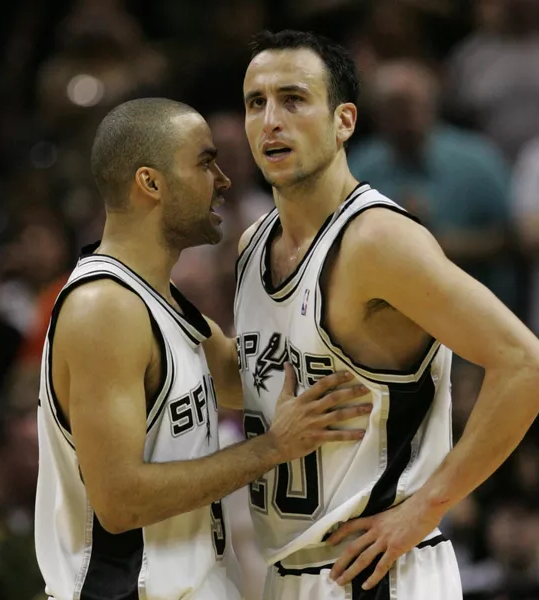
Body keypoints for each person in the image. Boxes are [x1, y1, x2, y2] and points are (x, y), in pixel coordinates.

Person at [234, 30, 539, 599]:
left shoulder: (377, 241)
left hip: (376, 571)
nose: (270, 121)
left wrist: (427, 508)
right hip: (288, 573)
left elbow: (529, 366)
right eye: (255, 103)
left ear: (344, 122)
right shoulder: (251, 243)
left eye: (293, 99)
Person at [34, 98, 372, 600]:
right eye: (204, 162)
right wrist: (273, 448)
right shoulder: (102, 310)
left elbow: (249, 376)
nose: (224, 179)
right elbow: (119, 501)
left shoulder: (159, 298)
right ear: (151, 183)